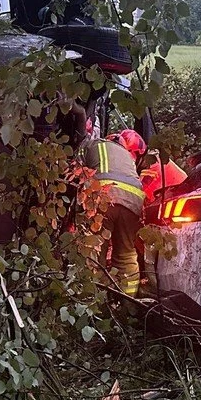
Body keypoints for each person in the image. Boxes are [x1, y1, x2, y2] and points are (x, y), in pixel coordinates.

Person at [70, 105, 145, 297]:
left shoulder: (91, 145)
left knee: (94, 253)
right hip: (134, 202)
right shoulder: (128, 157)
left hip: (105, 197)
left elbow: (74, 174)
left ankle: (93, 303)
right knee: (126, 254)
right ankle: (127, 302)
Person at [115, 129, 187, 205]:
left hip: (181, 203)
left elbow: (136, 200)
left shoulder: (152, 170)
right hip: (177, 199)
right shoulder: (154, 157)